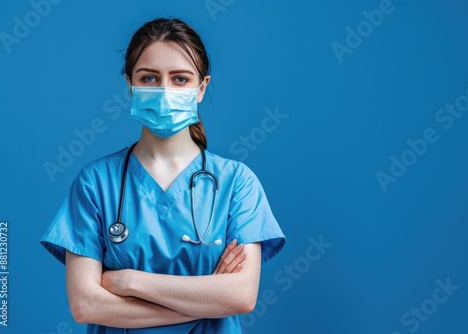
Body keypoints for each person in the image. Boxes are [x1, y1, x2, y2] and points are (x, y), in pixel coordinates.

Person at [40, 17, 286, 333]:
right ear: (129, 84)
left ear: (202, 88)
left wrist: (128, 281)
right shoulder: (95, 183)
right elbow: (86, 305)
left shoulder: (237, 182)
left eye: (180, 79)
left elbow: (241, 296)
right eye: (150, 78)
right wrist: (208, 298)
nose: (165, 92)